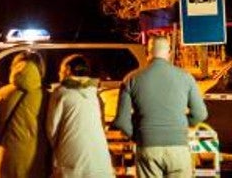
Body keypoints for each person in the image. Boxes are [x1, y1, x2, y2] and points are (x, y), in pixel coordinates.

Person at [112, 36, 207, 178]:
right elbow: (200, 114)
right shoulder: (186, 77)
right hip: (178, 147)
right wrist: (179, 126)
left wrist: (140, 136)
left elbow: (121, 121)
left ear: (147, 53)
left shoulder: (131, 79)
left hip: (147, 146)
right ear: (169, 53)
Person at [45, 54, 113, 178]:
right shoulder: (94, 94)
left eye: (61, 71)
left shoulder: (61, 93)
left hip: (71, 164)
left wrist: (58, 147)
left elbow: (51, 129)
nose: (59, 75)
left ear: (68, 70)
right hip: (101, 164)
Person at [0, 51, 49, 178]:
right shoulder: (46, 96)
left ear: (14, 67)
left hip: (8, 159)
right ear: (40, 69)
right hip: (37, 160)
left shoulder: (2, 93)